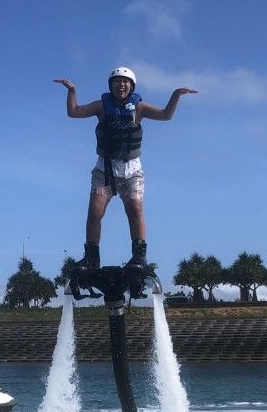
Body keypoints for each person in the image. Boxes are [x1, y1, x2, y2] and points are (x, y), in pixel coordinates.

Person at [54, 67, 196, 269]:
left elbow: (166, 115)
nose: (121, 85)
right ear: (111, 86)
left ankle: (139, 256)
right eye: (116, 82)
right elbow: (73, 112)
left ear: (132, 86)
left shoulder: (139, 108)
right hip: (105, 171)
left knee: (135, 208)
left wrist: (175, 96)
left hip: (132, 172)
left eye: (125, 82)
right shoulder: (101, 106)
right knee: (95, 212)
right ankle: (92, 257)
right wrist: (72, 91)